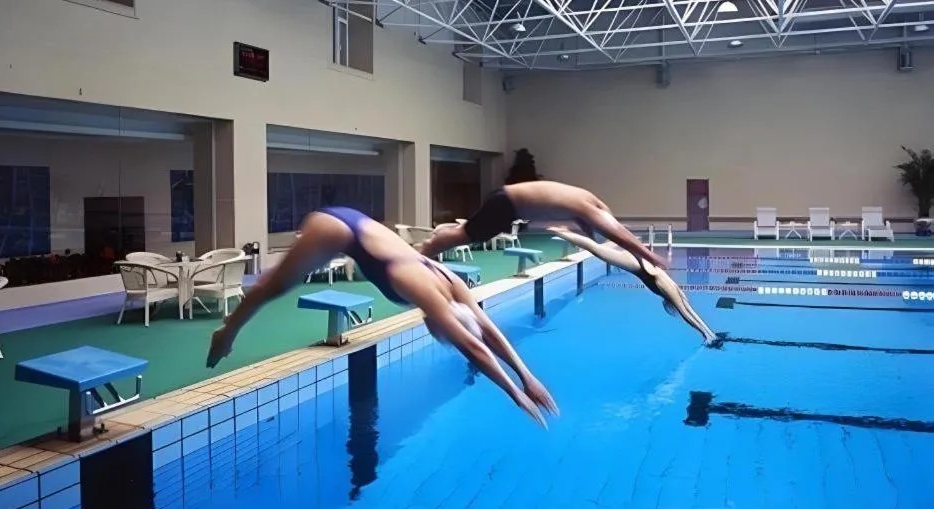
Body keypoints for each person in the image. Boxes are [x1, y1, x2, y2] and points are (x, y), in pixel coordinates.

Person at [206, 206, 559, 427]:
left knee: (277, 284)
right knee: (275, 286)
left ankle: (229, 330)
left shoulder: (453, 286)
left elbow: (487, 330)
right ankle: (227, 333)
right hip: (335, 228)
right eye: (440, 333)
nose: (432, 330)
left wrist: (528, 376)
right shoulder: (424, 291)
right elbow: (475, 347)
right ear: (443, 324)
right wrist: (515, 393)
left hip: (357, 223)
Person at [417, 180, 667, 271]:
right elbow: (619, 234)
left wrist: (590, 239)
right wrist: (647, 255)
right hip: (507, 204)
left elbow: (592, 226)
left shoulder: (587, 200)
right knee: (466, 235)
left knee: (470, 234)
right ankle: (423, 252)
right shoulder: (588, 209)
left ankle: (427, 248)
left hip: (508, 201)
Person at [546, 225, 717, 344]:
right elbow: (686, 312)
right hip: (636, 264)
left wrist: (707, 332)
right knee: (595, 249)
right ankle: (563, 232)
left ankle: (564, 232)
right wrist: (707, 333)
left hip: (637, 263)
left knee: (595, 248)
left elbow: (687, 310)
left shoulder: (670, 289)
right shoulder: (669, 291)